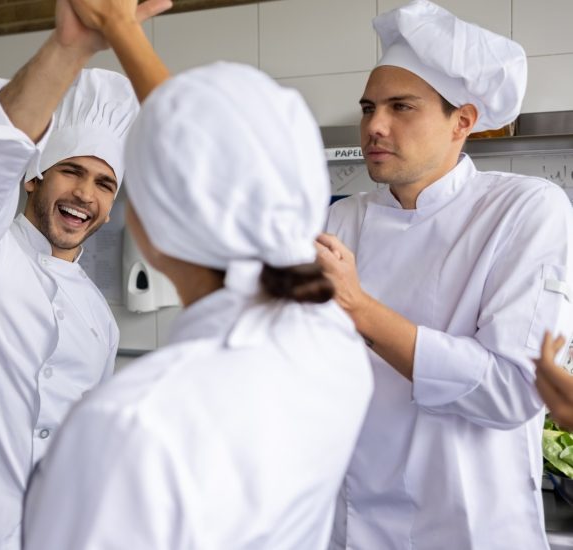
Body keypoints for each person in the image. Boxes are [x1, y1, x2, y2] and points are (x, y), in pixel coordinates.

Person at [21, 2, 374, 546]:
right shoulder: (335, 347)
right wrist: (120, 29)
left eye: (114, 182)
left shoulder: (134, 426)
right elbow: (215, 152)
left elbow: (204, 148)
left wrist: (112, 32)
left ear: (148, 226)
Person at [316, 1, 573, 547]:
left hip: (466, 524)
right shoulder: (343, 216)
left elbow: (510, 390)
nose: (374, 126)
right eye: (367, 108)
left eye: (401, 107)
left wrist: (358, 307)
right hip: (351, 522)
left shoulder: (525, 209)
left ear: (463, 122)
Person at [0, 0, 169, 546]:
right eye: (71, 171)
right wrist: (69, 49)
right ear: (33, 176)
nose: (85, 194)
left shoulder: (99, 320)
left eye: (105, 184)